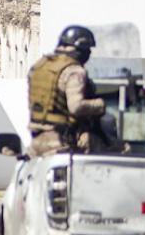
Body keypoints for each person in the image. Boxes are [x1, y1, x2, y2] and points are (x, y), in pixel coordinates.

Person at [27, 25, 107, 157]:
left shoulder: (39, 66)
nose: (89, 53)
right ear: (80, 48)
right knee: (120, 150)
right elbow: (76, 107)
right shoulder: (74, 70)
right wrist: (100, 105)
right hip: (63, 144)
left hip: (36, 143)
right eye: (88, 49)